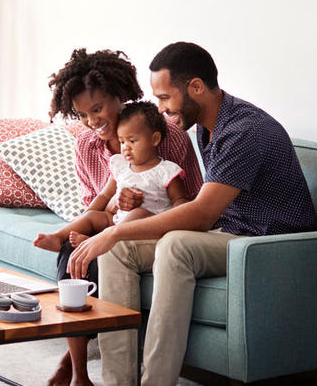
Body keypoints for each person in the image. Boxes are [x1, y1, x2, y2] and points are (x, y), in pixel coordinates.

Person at [66, 42, 317, 386]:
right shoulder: (206, 126)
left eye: (165, 98)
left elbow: (200, 214)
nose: (162, 109)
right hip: (233, 235)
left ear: (196, 87)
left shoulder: (243, 130)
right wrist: (114, 234)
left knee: (174, 245)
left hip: (270, 243)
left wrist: (113, 230)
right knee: (118, 250)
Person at [46, 48, 204, 386]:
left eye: (98, 108)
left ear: (121, 96)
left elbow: (188, 203)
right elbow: (96, 208)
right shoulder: (87, 146)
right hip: (113, 223)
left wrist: (133, 208)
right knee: (72, 256)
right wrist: (116, 205)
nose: (92, 122)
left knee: (100, 249)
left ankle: (70, 363)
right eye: (82, 114)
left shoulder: (167, 136)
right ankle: (78, 372)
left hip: (157, 227)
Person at [34, 101, 188, 253]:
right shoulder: (120, 165)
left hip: (149, 225)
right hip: (117, 220)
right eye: (122, 142)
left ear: (154, 139)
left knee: (139, 213)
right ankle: (58, 237)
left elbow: (179, 201)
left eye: (132, 141)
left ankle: (97, 241)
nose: (126, 147)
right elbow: (105, 195)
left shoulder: (166, 171)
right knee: (93, 216)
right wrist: (86, 215)